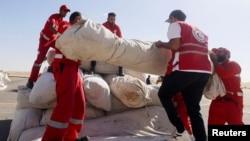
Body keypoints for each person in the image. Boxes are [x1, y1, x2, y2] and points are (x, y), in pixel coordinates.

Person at [155, 9, 213, 141]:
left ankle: (179, 125)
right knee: (194, 109)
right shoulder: (200, 31)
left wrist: (161, 44)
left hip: (186, 68)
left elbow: (174, 45)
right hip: (203, 71)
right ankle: (202, 139)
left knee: (163, 94)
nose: (169, 23)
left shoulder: (176, 25)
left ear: (173, 18)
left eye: (169, 21)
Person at [41, 11, 89, 141]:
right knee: (65, 106)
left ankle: (71, 137)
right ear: (74, 20)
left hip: (74, 68)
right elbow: (58, 38)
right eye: (80, 19)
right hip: (64, 67)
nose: (82, 22)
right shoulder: (66, 27)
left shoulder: (80, 34)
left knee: (80, 105)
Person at [26, 5, 71, 89]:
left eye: (67, 12)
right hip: (44, 40)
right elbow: (51, 28)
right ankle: (31, 81)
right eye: (64, 11)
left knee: (62, 49)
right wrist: (59, 35)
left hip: (52, 40)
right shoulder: (54, 17)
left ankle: (53, 67)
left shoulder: (63, 21)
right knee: (39, 60)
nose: (65, 13)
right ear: (60, 10)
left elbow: (68, 26)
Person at [208, 47, 244, 125]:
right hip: (216, 101)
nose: (217, 54)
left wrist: (214, 61)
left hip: (232, 102)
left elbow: (224, 74)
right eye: (216, 53)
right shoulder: (214, 67)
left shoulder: (233, 64)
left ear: (227, 55)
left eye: (220, 52)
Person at [102, 12, 124, 76]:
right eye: (111, 19)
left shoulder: (117, 27)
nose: (113, 21)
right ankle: (92, 67)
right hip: (104, 44)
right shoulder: (103, 25)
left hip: (114, 45)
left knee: (121, 49)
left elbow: (120, 38)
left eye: (114, 19)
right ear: (107, 19)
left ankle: (120, 69)